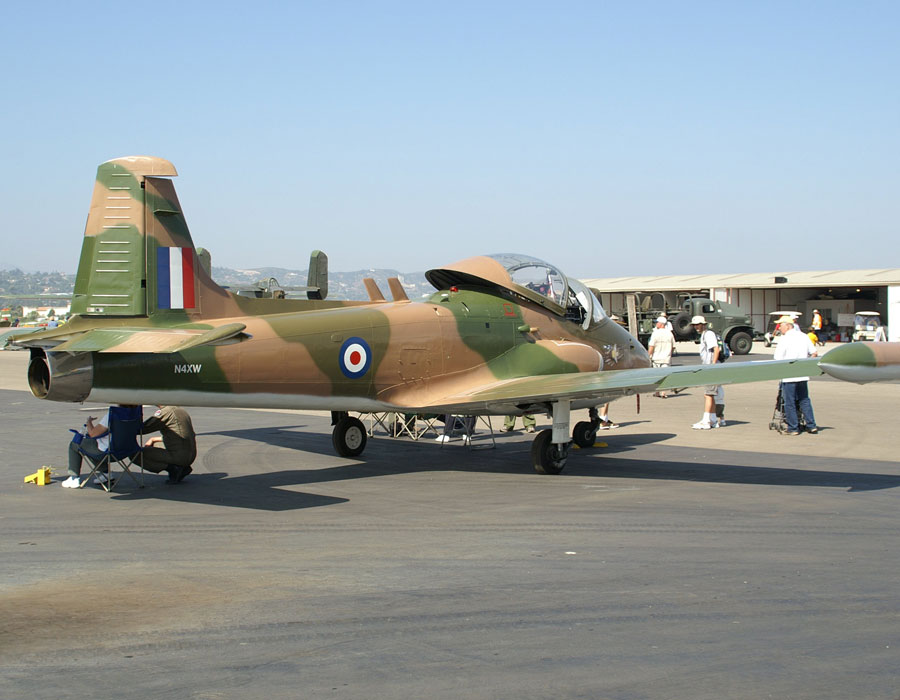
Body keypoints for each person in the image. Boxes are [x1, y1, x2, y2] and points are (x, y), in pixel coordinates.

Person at [773, 315, 818, 435]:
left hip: (789, 375)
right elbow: (814, 353)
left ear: (787, 326)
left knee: (790, 402)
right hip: (802, 374)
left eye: (780, 325)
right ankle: (811, 425)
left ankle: (793, 427)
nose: (779, 328)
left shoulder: (784, 339)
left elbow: (777, 358)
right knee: (804, 400)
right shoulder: (803, 336)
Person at [62, 407, 118, 488]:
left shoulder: (113, 414)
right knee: (92, 445)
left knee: (75, 444)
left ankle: (74, 478)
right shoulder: (135, 414)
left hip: (108, 452)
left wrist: (89, 422)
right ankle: (105, 474)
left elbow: (93, 434)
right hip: (126, 451)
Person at [142, 405, 197, 483]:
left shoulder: (166, 412)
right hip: (189, 453)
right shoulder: (179, 410)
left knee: (137, 454)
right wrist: (153, 439)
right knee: (155, 444)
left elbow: (144, 428)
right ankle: (182, 467)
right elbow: (178, 435)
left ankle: (173, 468)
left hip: (181, 456)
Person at [691, 315, 721, 429]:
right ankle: (712, 419)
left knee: (708, 394)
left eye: (697, 324)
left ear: (703, 324)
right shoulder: (705, 334)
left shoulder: (708, 334)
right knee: (710, 394)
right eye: (694, 325)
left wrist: (713, 365)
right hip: (709, 367)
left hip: (711, 368)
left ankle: (706, 421)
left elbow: (716, 349)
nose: (696, 327)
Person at [648, 315, 675, 397]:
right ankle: (663, 392)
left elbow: (651, 346)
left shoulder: (655, 333)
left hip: (656, 358)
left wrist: (649, 355)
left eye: (657, 322)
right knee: (664, 375)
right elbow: (673, 346)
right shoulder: (669, 333)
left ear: (661, 324)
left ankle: (657, 392)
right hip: (666, 358)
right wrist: (669, 354)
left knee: (657, 376)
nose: (656, 324)